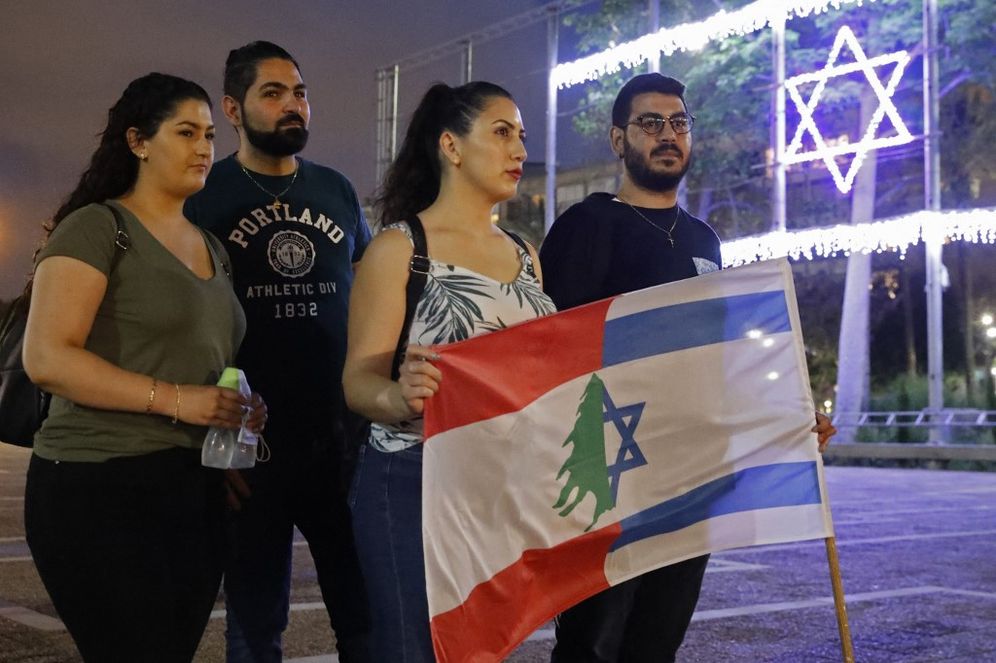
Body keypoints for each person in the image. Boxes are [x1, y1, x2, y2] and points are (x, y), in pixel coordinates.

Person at [540, 72, 837, 663]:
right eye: (650, 123)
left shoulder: (705, 240)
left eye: (678, 123)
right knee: (592, 645)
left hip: (688, 473)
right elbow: (550, 349)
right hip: (610, 473)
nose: (667, 134)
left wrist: (788, 418)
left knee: (658, 642)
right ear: (618, 139)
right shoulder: (588, 224)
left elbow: (716, 362)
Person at [22, 72, 265, 662]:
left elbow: (208, 365)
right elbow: (47, 357)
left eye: (210, 134)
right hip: (97, 483)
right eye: (185, 132)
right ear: (138, 141)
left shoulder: (213, 248)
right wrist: (180, 400)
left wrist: (235, 417)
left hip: (192, 488)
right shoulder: (99, 228)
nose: (204, 147)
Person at [342, 81, 557, 661]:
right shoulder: (398, 249)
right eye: (502, 132)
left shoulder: (525, 254)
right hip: (411, 479)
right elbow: (357, 381)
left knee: (483, 649)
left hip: (499, 484)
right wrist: (398, 396)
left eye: (522, 137)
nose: (518, 150)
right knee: (415, 649)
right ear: (451, 147)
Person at [184, 41, 372, 662]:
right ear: (233, 110)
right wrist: (210, 445)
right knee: (256, 625)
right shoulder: (203, 197)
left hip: (339, 440)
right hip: (250, 445)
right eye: (274, 93)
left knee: (362, 614)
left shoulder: (336, 191)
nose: (294, 105)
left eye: (300, 92)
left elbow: (372, 296)